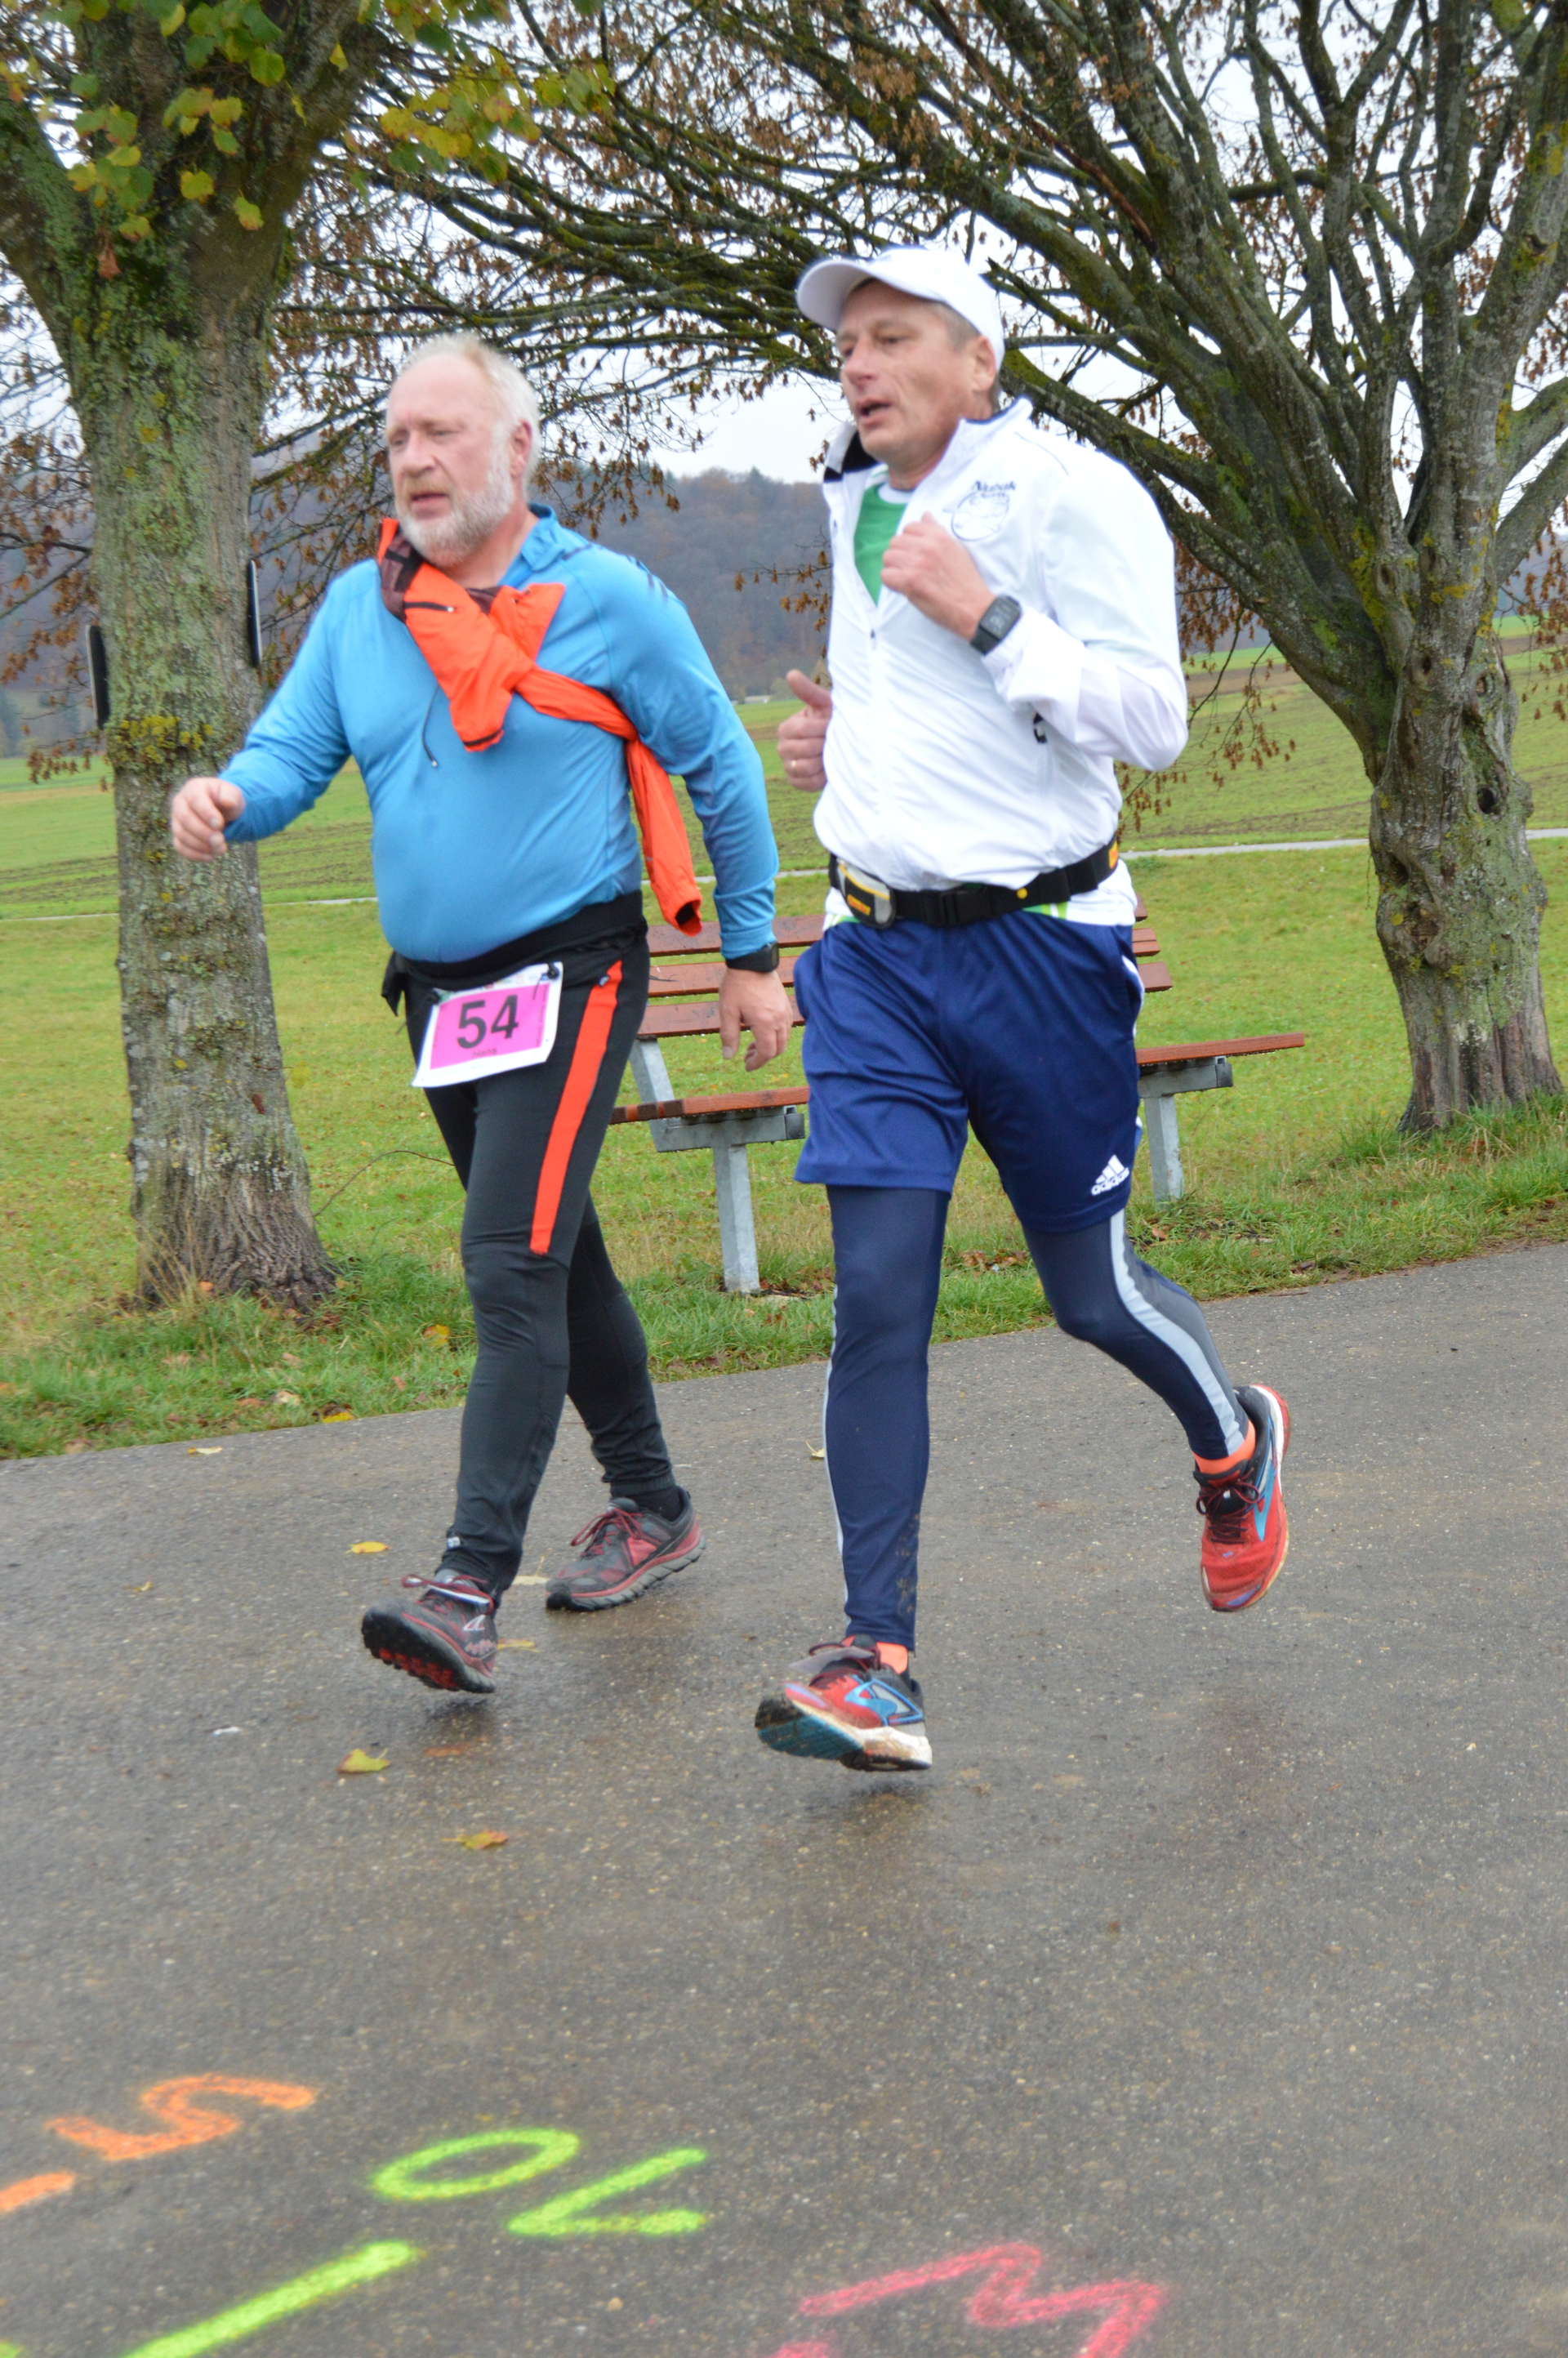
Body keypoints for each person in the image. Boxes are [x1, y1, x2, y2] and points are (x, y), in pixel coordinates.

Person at [172, 332, 791, 1696]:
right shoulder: (363, 609)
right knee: (558, 1255)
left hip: (575, 970)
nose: (413, 459)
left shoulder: (608, 602)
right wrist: (229, 796)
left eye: (441, 432)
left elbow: (722, 768)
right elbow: (293, 750)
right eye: (397, 438)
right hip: (442, 999)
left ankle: (467, 1585)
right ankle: (653, 1505)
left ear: (517, 448)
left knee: (507, 1262)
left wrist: (750, 956)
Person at [752, 247, 1290, 1774]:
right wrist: (850, 751)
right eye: (847, 344)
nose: (860, 364)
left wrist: (989, 615)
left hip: (1042, 953)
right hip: (874, 960)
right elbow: (933, 713)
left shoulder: (1074, 497)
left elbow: (1153, 721)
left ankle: (1235, 1439)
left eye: (893, 336)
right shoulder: (850, 498)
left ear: (979, 361)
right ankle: (876, 1662)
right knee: (877, 1296)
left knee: (1088, 1295)